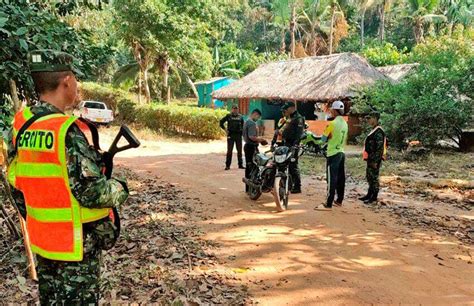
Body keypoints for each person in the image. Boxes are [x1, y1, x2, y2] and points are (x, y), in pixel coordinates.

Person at [5, 50, 129, 305]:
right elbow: (91, 192)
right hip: (75, 249)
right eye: (76, 81)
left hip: (44, 243)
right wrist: (120, 188)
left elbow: (16, 183)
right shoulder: (64, 131)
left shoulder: (22, 124)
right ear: (67, 81)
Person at [315, 101, 348, 211]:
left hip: (333, 153)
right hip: (342, 152)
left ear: (334, 110)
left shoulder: (331, 124)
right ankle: (339, 200)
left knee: (331, 178)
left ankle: (328, 203)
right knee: (341, 178)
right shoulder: (345, 124)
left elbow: (323, 139)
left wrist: (326, 137)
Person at [360, 111, 387, 204]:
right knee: (369, 176)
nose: (368, 120)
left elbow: (379, 149)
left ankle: (374, 197)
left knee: (374, 177)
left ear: (375, 118)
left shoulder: (379, 132)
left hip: (375, 159)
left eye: (369, 118)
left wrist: (375, 161)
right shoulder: (374, 130)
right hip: (371, 158)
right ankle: (369, 194)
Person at [281, 102, 305, 194]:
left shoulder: (298, 118)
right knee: (286, 164)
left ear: (292, 108)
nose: (285, 111)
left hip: (293, 145)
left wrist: (295, 146)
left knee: (293, 165)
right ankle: (290, 185)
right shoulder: (290, 118)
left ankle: (297, 186)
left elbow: (299, 134)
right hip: (287, 143)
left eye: (286, 109)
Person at [243, 109, 268, 192]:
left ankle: (248, 188)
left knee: (249, 166)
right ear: (255, 114)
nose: (258, 118)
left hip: (248, 146)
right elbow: (252, 137)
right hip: (251, 147)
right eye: (258, 116)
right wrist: (261, 140)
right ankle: (250, 187)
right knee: (252, 167)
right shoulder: (251, 123)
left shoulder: (247, 121)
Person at [220, 105, 244, 170]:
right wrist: (225, 130)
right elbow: (221, 122)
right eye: (234, 109)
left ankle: (240, 165)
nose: (235, 110)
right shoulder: (228, 116)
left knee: (239, 151)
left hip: (238, 135)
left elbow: (243, 126)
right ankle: (227, 165)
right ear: (232, 109)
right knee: (229, 151)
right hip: (231, 135)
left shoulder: (241, 117)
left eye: (236, 109)